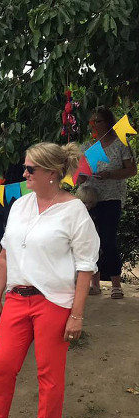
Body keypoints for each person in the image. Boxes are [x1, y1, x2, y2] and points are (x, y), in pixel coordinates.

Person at [0, 142, 99, 418]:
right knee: (2, 366)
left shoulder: (74, 211)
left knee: (49, 374)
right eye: (25, 167)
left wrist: (77, 315)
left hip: (53, 301)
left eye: (30, 168)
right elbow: (6, 255)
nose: (24, 173)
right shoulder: (21, 205)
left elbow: (85, 266)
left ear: (51, 172)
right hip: (15, 298)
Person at [80, 106, 137, 298]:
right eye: (92, 121)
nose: (95, 125)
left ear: (109, 123)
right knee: (90, 241)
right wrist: (78, 177)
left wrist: (110, 174)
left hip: (112, 197)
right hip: (89, 199)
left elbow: (131, 170)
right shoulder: (87, 147)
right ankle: (94, 284)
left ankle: (116, 285)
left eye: (99, 121)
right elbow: (78, 174)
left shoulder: (120, 144)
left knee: (108, 239)